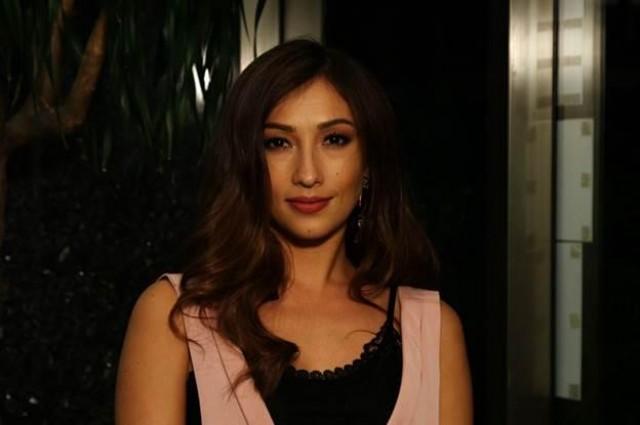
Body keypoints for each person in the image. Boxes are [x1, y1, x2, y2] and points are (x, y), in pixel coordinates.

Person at [115, 38, 473, 424]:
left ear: (368, 162)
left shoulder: (433, 331)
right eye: (278, 143)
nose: (307, 174)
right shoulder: (176, 317)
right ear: (248, 163)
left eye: (334, 140)